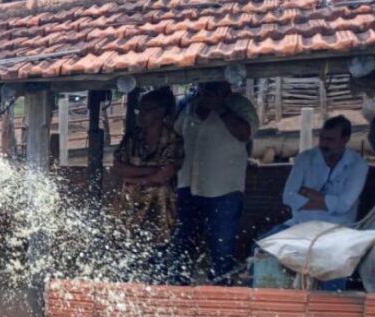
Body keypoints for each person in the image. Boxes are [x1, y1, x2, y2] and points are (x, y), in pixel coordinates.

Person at [257, 115, 370, 291]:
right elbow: (288, 197)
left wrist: (310, 195)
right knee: (262, 248)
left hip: (338, 229)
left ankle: (328, 308)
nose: (324, 144)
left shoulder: (358, 165)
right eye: (322, 138)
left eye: (330, 139)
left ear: (345, 139)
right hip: (300, 225)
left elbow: (344, 206)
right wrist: (326, 201)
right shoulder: (305, 159)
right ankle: (269, 304)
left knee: (335, 260)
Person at [171, 81, 259, 285]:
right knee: (183, 244)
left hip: (223, 190)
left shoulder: (240, 105)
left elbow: (245, 133)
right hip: (187, 186)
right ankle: (178, 287)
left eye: (213, 85)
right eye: (205, 86)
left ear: (226, 85)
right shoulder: (187, 104)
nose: (208, 90)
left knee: (222, 247)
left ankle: (221, 291)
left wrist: (220, 108)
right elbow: (175, 133)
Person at [112, 88, 185, 282]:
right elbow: (119, 168)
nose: (141, 115)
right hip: (130, 211)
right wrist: (151, 172)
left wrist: (134, 177)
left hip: (160, 213)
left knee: (158, 262)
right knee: (127, 262)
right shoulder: (133, 137)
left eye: (145, 110)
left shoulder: (174, 140)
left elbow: (165, 175)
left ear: (160, 112)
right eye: (140, 110)